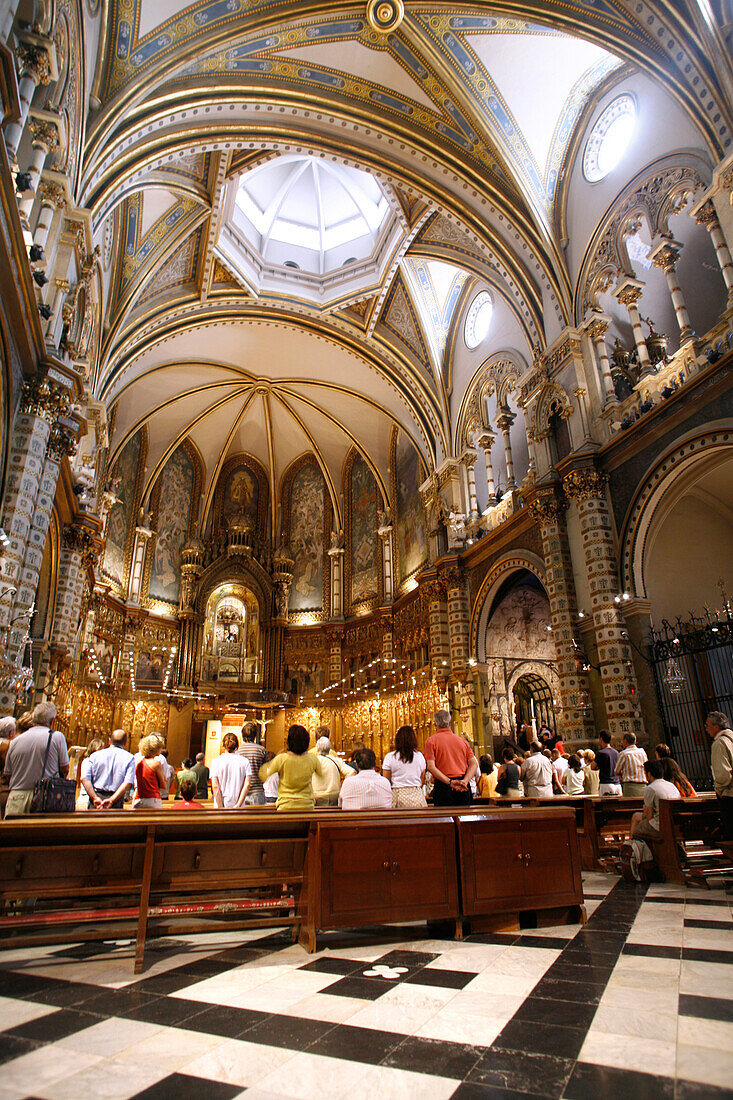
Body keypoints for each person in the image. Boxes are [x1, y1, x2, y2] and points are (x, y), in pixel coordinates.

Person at [4, 702, 69, 817]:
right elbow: (65, 769)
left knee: (13, 833)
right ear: (52, 721)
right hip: (43, 798)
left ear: (34, 719)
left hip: (16, 798)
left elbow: (8, 773)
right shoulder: (56, 737)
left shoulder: (15, 741)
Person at [620, 760, 681, 881]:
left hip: (659, 826)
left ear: (649, 774)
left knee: (637, 830)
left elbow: (649, 815)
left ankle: (635, 855)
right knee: (636, 816)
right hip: (675, 823)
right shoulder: (671, 785)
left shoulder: (651, 788)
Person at [259, 725, 325, 811]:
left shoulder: (281, 759)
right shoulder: (312, 758)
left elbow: (263, 774)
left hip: (286, 806)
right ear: (307, 741)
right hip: (307, 806)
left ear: (289, 742)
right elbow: (321, 776)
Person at [424, 709, 477, 806]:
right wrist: (465, 781)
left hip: (443, 785)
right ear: (450, 722)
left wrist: (449, 782)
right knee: (465, 818)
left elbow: (431, 766)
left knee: (445, 819)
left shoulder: (431, 741)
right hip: (463, 785)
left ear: (435, 724)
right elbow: (474, 764)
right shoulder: (462, 741)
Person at [81, 729, 135, 809]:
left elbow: (85, 778)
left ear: (109, 741)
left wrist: (94, 798)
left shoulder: (95, 756)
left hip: (96, 797)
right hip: (116, 799)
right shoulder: (129, 758)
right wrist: (111, 800)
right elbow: (128, 782)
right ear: (125, 743)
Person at [382, 726, 427, 808]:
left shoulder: (390, 757)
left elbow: (386, 780)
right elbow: (422, 779)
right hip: (416, 795)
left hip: (397, 795)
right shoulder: (419, 756)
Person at [707, 710, 733, 840]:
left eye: (708, 726)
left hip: (729, 795)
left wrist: (720, 791)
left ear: (716, 727)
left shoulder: (719, 743)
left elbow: (723, 775)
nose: (706, 729)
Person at [210, 732, 251, 809]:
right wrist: (238, 805)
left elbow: (215, 786)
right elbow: (247, 784)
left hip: (221, 804)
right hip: (238, 804)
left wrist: (220, 806)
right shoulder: (245, 761)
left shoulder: (215, 762)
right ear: (237, 746)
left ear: (223, 745)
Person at [312, 735, 352, 806]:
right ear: (329, 748)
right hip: (334, 797)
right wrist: (344, 788)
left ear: (317, 749)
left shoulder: (314, 761)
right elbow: (352, 772)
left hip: (317, 797)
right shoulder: (336, 760)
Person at [238, 721, 267, 805]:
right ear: (255, 735)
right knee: (258, 817)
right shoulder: (261, 750)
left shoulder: (238, 750)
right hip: (257, 790)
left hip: (241, 790)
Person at [133, 735, 167, 809]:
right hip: (152, 798)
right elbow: (163, 786)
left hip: (139, 798)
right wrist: (165, 780)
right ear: (155, 749)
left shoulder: (138, 763)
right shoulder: (156, 764)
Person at [616, 732, 648, 796]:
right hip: (643, 785)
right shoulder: (642, 752)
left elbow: (617, 771)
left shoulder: (624, 754)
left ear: (625, 741)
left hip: (630, 786)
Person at [596, 730, 622, 796]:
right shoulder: (616, 753)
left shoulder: (601, 753)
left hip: (606, 784)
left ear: (601, 739)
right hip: (617, 784)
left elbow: (593, 766)